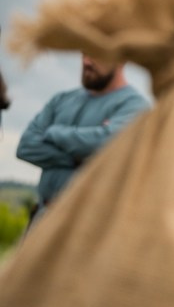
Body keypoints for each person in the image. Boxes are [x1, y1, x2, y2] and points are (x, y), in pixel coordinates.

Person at [16, 53, 150, 229]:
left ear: (121, 58)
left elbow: (104, 144)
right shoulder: (61, 100)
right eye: (84, 54)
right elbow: (26, 147)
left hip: (92, 226)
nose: (87, 62)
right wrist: (79, 159)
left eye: (95, 53)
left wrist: (54, 131)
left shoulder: (135, 106)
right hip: (43, 218)